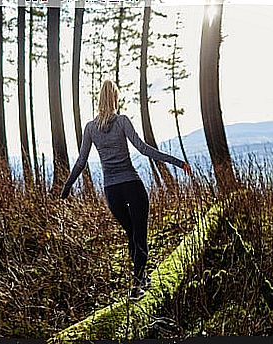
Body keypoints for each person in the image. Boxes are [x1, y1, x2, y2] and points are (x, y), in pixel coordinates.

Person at [60, 79, 192, 301]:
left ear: (99, 100)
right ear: (115, 99)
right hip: (132, 184)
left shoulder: (90, 128)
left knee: (131, 235)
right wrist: (177, 162)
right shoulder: (122, 122)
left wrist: (66, 187)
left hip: (112, 191)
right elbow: (143, 148)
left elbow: (81, 161)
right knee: (139, 234)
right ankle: (138, 283)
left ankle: (141, 278)